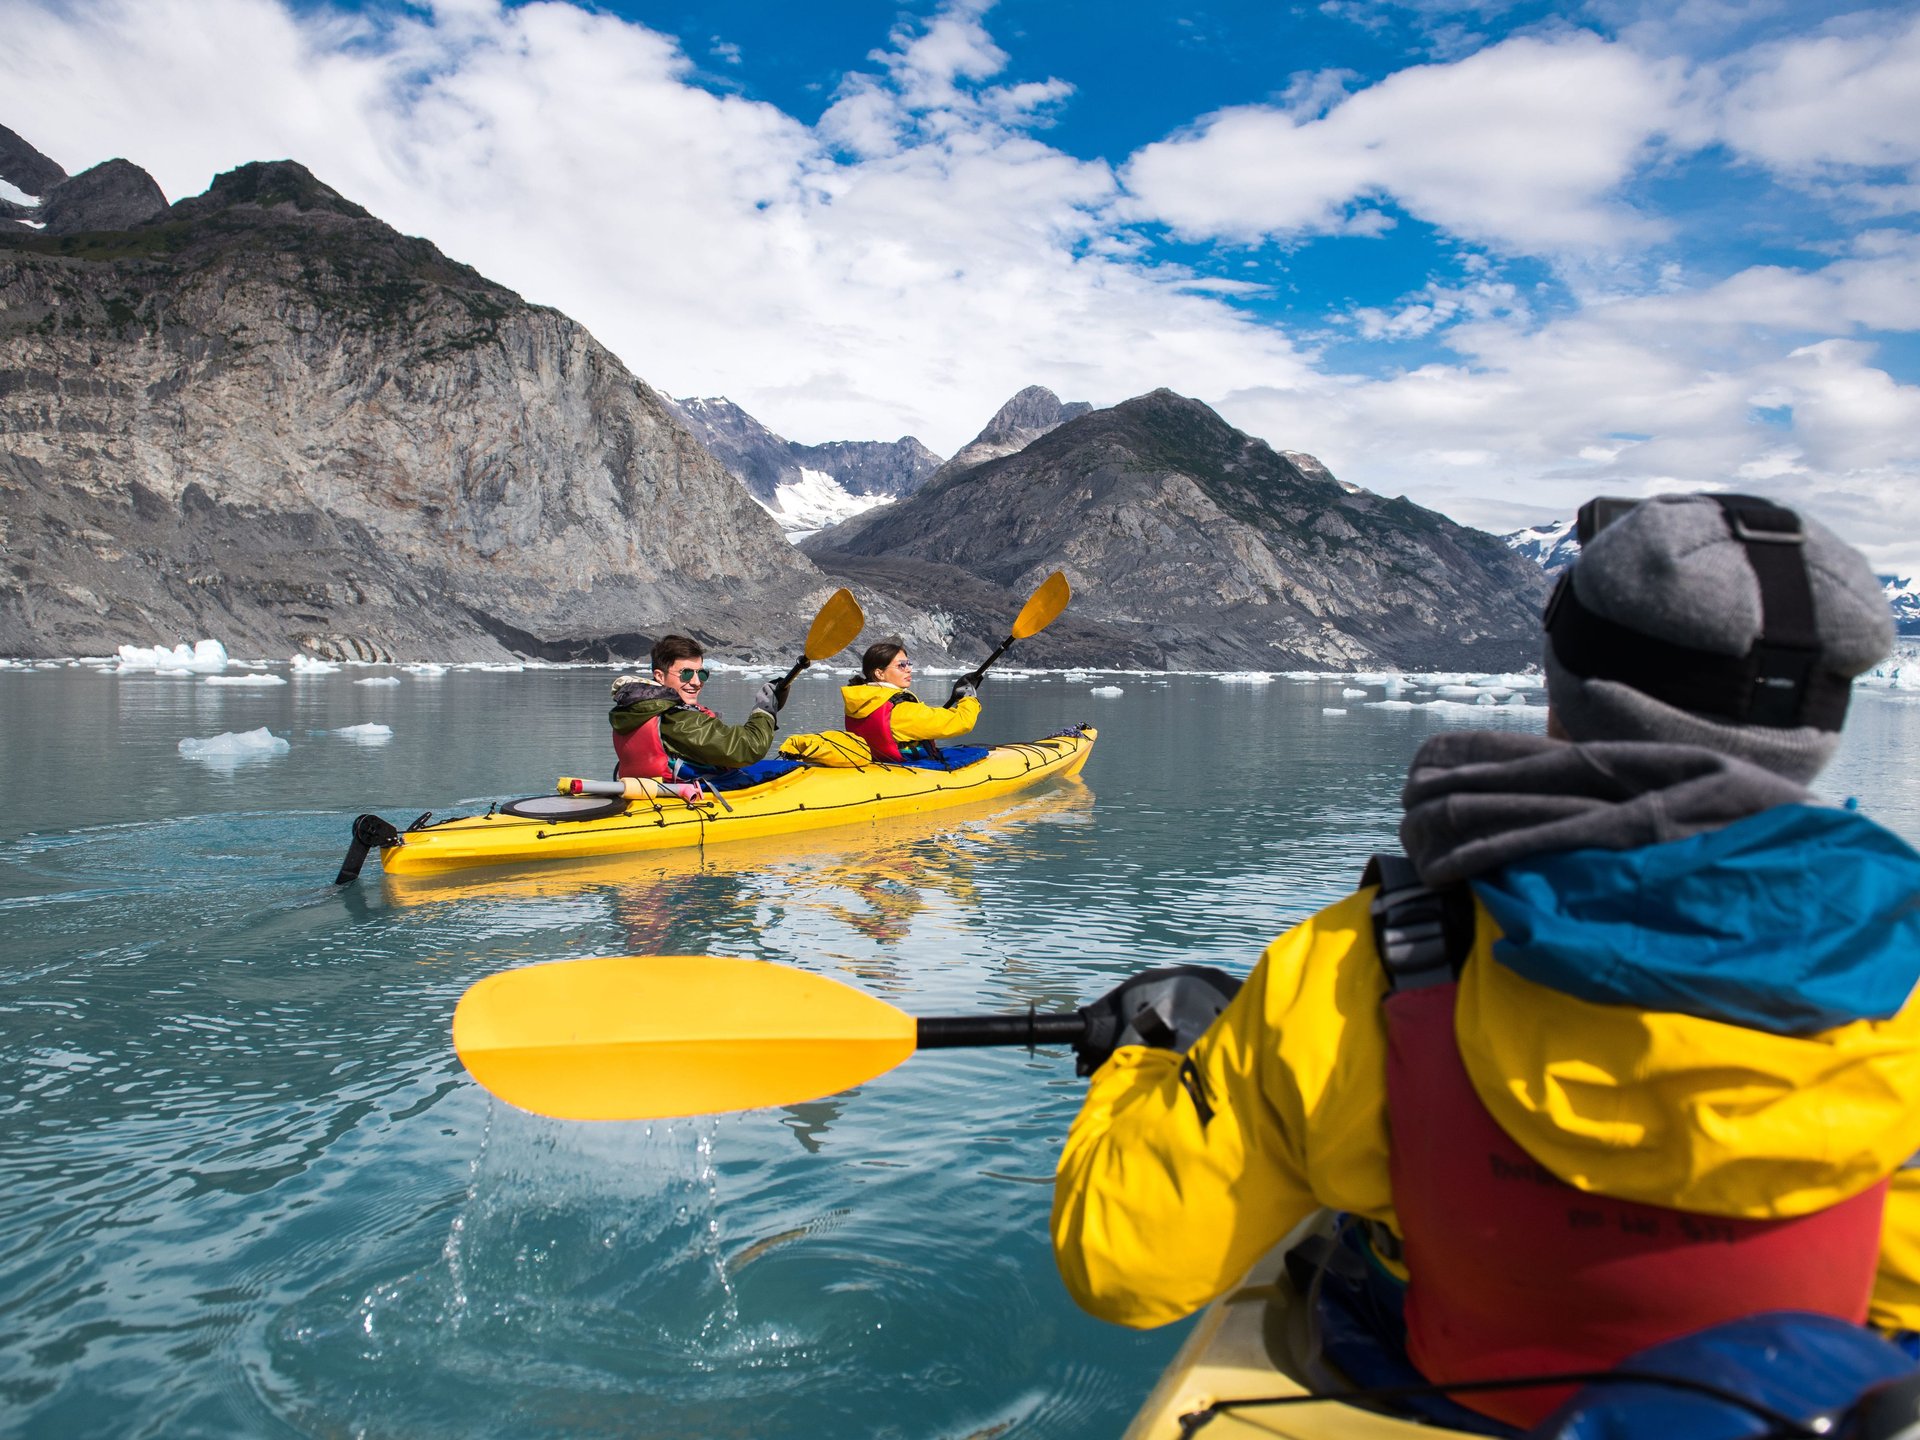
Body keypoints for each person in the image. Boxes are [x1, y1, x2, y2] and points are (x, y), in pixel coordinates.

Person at [1050, 493, 1920, 1429]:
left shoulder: (1364, 961)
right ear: (1824, 718)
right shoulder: (1900, 976)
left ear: (1564, 680)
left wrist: (1148, 1050)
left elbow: (1122, 1267)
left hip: (1434, 1385)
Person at [609, 634, 785, 781]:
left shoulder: (637, 709)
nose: (696, 682)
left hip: (657, 790)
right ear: (659, 677)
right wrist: (765, 710)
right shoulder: (677, 719)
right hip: (684, 796)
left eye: (701, 673)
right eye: (685, 674)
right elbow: (747, 748)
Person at [841, 640, 981, 762]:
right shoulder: (901, 711)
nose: (908, 669)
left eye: (908, 664)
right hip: (908, 768)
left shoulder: (861, 702)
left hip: (880, 763)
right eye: (901, 665)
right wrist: (968, 697)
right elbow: (962, 722)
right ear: (880, 673)